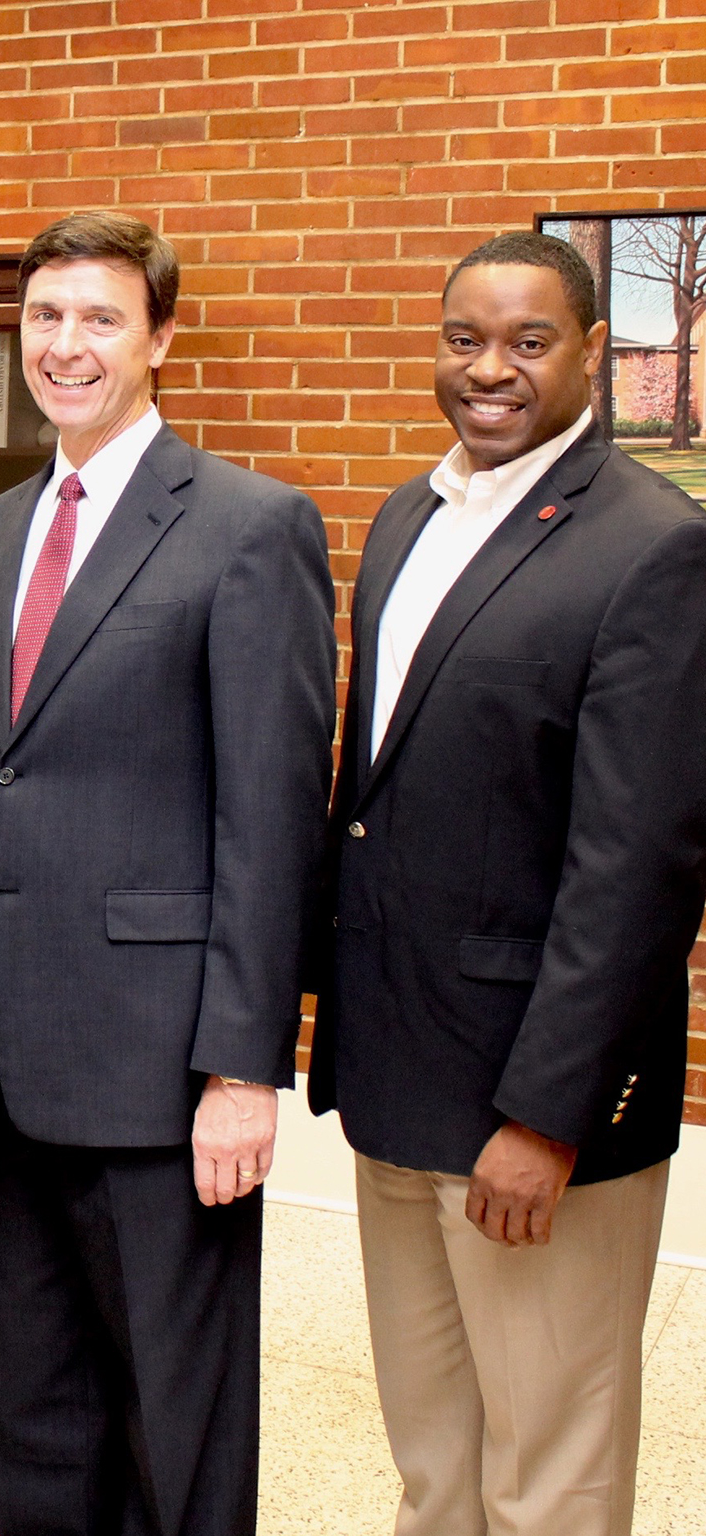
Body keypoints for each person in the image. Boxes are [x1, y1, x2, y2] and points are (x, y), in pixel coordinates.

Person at [0, 212, 337, 1536]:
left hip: (161, 1074)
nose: (67, 345)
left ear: (160, 338)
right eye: (44, 317)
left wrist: (242, 1071)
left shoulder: (249, 526)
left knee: (175, 1424)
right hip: (6, 1068)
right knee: (32, 1410)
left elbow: (271, 826)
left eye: (100, 318)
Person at [308, 230, 706, 1535]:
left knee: (549, 1479)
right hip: (394, 1078)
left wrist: (545, 1119)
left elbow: (637, 869)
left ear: (590, 351)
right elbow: (377, 795)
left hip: (530, 1114)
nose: (489, 369)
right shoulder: (407, 516)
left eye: (528, 342)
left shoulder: (654, 547)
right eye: (463, 339)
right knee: (435, 1460)